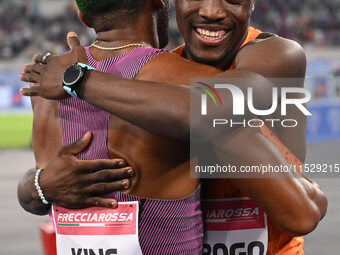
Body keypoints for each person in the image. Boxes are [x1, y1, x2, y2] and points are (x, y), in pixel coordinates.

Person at [19, 0, 327, 254]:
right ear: (167, 2)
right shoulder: (167, 73)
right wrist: (37, 187)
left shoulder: (273, 56)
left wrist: (78, 78)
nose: (211, 11)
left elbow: (203, 109)